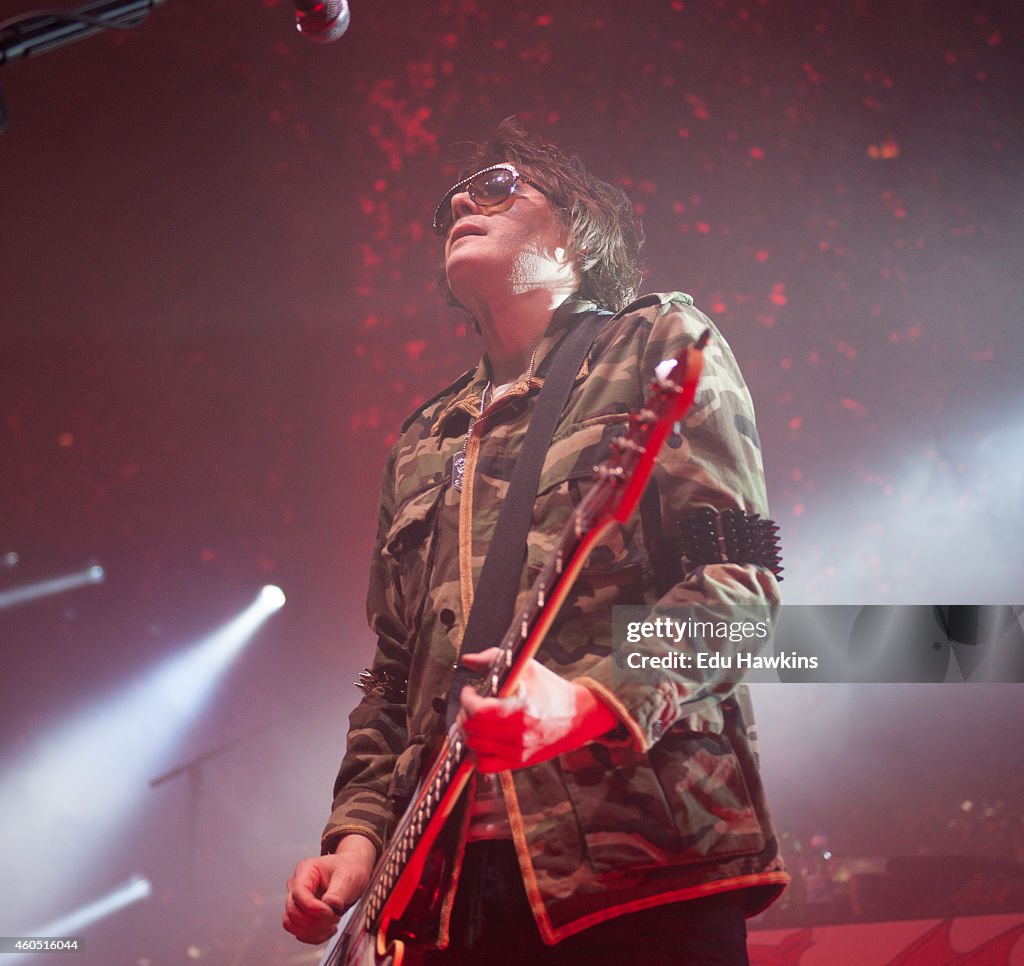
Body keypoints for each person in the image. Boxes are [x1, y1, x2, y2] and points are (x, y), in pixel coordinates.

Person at [283, 118, 788, 964]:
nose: (459, 209)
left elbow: (738, 590)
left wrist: (587, 703)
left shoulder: (657, 344)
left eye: (496, 187)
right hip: (443, 898)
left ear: (579, 235)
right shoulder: (423, 439)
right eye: (448, 205)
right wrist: (358, 842)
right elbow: (393, 678)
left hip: (635, 874)